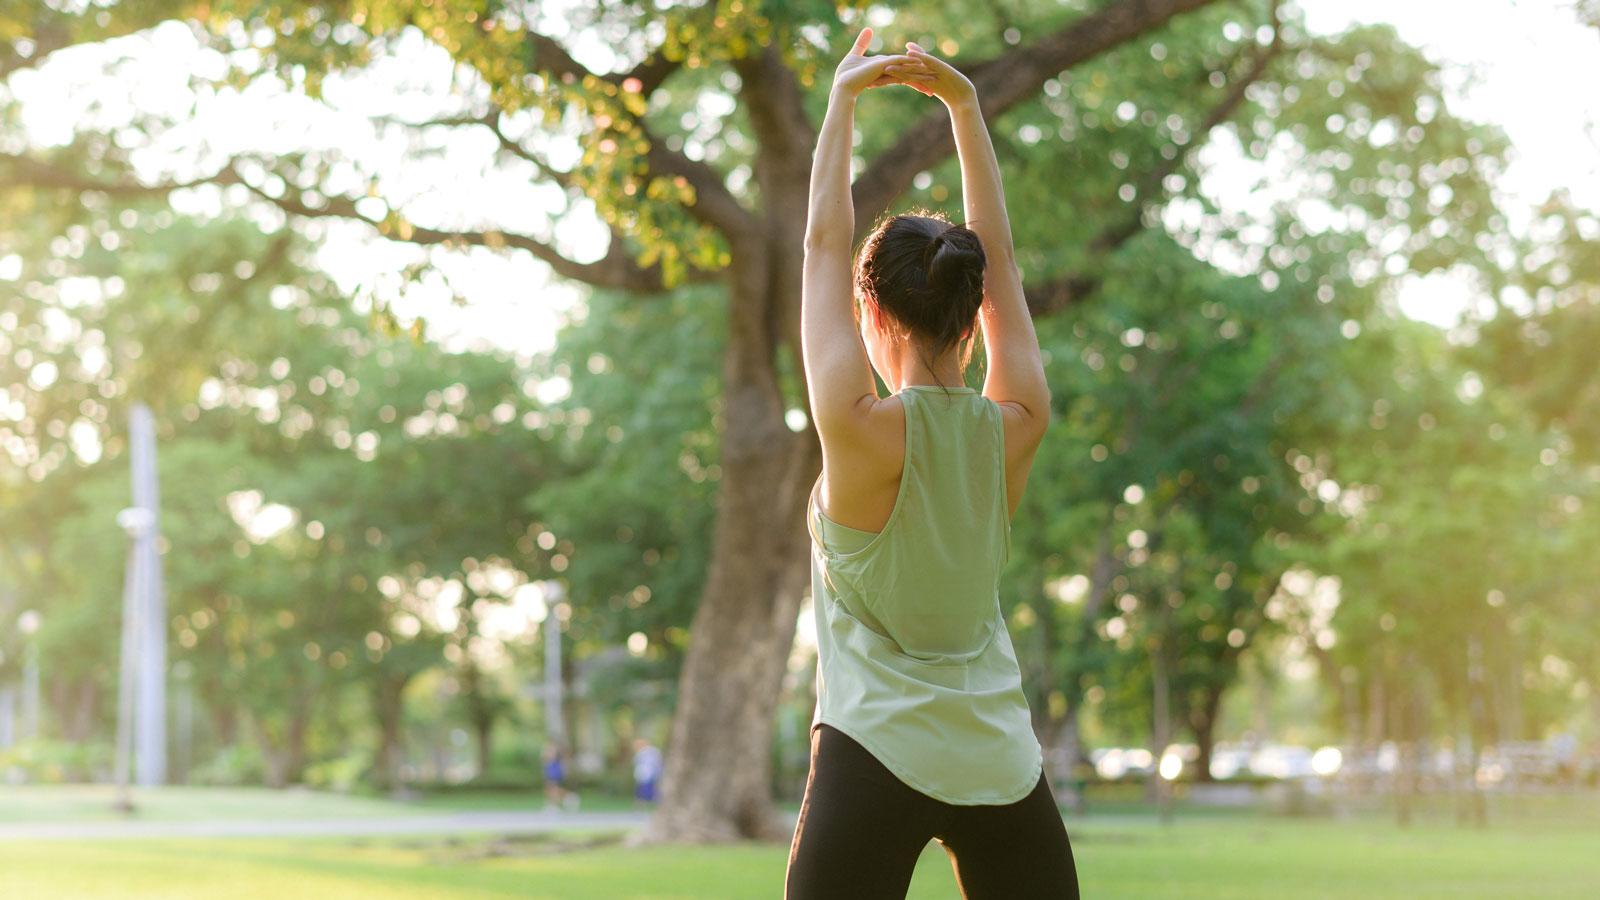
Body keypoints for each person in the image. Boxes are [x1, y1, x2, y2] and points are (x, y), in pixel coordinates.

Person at [784, 29, 1079, 899]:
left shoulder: (857, 425)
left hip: (871, 750)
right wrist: (965, 105)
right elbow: (1006, 265)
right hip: (998, 759)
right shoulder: (1016, 423)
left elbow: (819, 248)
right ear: (972, 309)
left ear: (872, 314)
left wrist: (841, 103)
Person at [632, 737, 663, 805]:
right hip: (644, 775)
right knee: (642, 791)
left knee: (648, 791)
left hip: (648, 774)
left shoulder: (647, 752)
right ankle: (641, 805)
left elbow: (657, 763)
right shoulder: (645, 752)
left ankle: (645, 804)